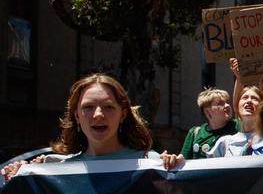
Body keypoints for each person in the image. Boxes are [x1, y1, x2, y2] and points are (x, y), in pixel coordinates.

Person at [3, 74, 181, 180]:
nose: (98, 115)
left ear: (123, 115)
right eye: (88, 107)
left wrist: (177, 171)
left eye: (108, 107)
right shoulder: (58, 172)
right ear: (77, 116)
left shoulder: (151, 163)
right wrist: (20, 176)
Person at [180, 87, 238, 160]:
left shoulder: (238, 127)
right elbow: (182, 162)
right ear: (207, 112)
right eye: (220, 103)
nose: (227, 105)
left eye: (227, 102)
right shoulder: (195, 133)